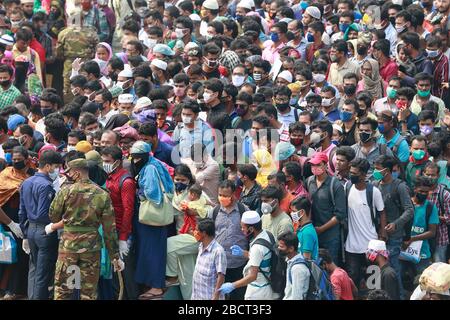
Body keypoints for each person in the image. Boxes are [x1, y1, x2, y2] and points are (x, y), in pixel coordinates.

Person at [48, 153, 122, 300]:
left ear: (76, 172)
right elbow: (109, 229)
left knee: (64, 289)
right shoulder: (102, 194)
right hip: (91, 248)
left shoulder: (65, 191)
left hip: (68, 247)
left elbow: (53, 216)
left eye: (69, 172)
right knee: (89, 291)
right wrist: (115, 256)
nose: (68, 175)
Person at [18, 150, 62, 300]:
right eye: (56, 167)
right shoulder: (46, 185)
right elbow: (44, 213)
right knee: (43, 273)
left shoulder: (26, 182)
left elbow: (21, 211)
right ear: (48, 166)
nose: (57, 171)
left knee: (34, 269)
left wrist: (25, 234)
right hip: (45, 230)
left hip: (31, 229)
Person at [101, 145, 139, 300]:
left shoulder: (126, 181)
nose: (105, 164)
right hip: (110, 229)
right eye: (103, 161)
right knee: (115, 271)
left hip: (121, 231)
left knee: (126, 271)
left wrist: (123, 237)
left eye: (107, 161)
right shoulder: (109, 177)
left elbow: (128, 210)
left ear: (117, 162)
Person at [345, 158, 387, 290]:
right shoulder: (347, 187)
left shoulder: (374, 192)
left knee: (373, 283)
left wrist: (383, 234)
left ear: (363, 175)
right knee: (353, 281)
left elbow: (382, 213)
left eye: (355, 173)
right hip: (351, 247)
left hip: (371, 246)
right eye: (350, 172)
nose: (352, 175)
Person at [218, 210, 278, 300]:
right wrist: (243, 253)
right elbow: (259, 258)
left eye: (243, 228)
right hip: (267, 286)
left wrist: (232, 285)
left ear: (251, 229)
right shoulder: (266, 234)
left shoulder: (257, 248)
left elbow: (252, 276)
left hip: (258, 291)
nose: (242, 230)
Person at [0, 146, 34, 300]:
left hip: (25, 221)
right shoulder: (5, 175)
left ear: (26, 160)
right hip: (6, 222)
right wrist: (11, 224)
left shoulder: (32, 175)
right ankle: (7, 289)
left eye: (19, 160)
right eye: (14, 160)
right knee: (6, 255)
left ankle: (18, 289)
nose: (16, 162)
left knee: (21, 256)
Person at [207, 179, 248, 300]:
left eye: (226, 196)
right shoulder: (213, 212)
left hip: (238, 263)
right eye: (220, 195)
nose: (222, 198)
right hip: (219, 264)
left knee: (238, 295)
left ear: (234, 195)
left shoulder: (244, 211)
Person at [306, 152, 347, 264]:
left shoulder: (335, 185)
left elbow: (340, 214)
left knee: (330, 266)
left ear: (325, 165)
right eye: (313, 165)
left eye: (318, 165)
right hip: (314, 233)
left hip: (331, 236)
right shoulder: (310, 181)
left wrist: (322, 229)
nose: (315, 168)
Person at [403, 176, 439, 277]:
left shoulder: (430, 207)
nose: (423, 194)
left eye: (426, 192)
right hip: (402, 250)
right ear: (415, 189)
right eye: (421, 191)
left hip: (422, 253)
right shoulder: (406, 204)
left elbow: (432, 232)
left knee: (421, 282)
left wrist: (411, 239)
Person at [191, 218, 227, 300]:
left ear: (204, 233)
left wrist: (216, 296)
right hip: (197, 295)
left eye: (197, 230)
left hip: (209, 297)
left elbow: (221, 276)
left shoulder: (218, 251)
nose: (194, 232)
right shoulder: (201, 246)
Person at [422, 162, 450, 263]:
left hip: (440, 238)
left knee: (439, 268)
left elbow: (449, 218)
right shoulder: (419, 191)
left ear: (438, 176)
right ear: (423, 174)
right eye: (427, 174)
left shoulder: (445, 194)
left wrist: (433, 217)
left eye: (432, 175)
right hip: (421, 237)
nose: (430, 177)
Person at [278, 231, 310, 300]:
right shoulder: (291, 262)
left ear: (291, 249)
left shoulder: (297, 269)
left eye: (281, 247)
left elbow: (297, 297)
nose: (278, 248)